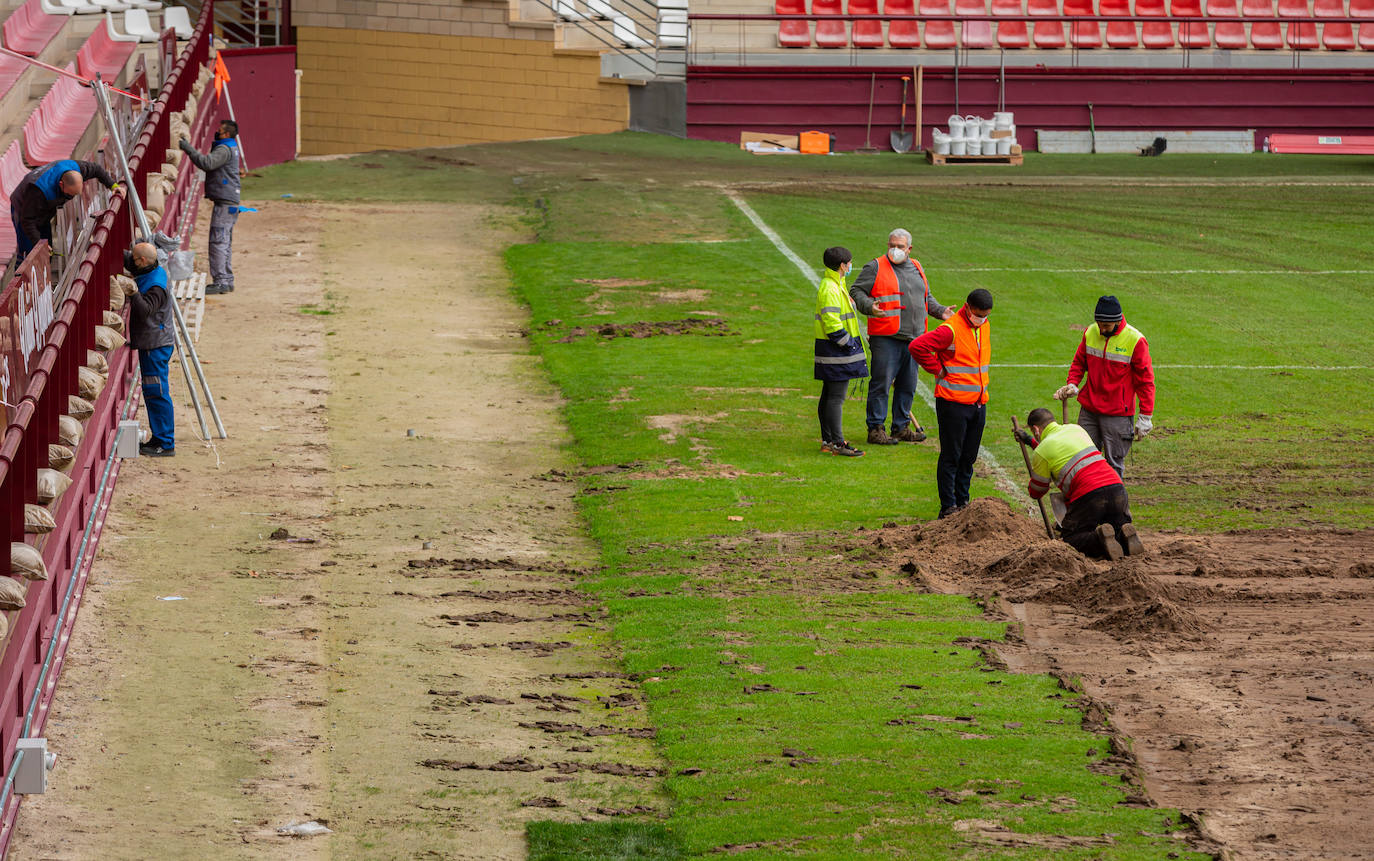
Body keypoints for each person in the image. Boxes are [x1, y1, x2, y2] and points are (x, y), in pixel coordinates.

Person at [849, 228, 953, 446]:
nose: (895, 250)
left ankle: (901, 427)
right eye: (892, 245)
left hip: (915, 340)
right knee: (882, 384)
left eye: (900, 246)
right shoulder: (875, 266)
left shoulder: (917, 267)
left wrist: (941, 312)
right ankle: (876, 429)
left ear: (909, 249)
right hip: (886, 337)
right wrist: (870, 306)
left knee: (907, 385)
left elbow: (926, 297)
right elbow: (856, 291)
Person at [1016, 407, 1145, 560]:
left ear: (1036, 429)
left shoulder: (1042, 451)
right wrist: (1031, 441)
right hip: (1116, 487)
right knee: (1117, 527)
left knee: (1072, 539)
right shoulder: (1076, 429)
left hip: (1089, 495)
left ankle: (1099, 540)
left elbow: (1038, 490)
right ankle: (1124, 535)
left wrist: (1033, 486)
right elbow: (1058, 451)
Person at [910, 289, 993, 518]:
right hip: (953, 404)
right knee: (951, 456)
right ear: (967, 307)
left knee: (968, 457)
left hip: (977, 403)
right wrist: (937, 369)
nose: (982, 319)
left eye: (985, 315)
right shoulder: (950, 329)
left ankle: (962, 501)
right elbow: (918, 347)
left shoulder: (984, 326)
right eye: (978, 314)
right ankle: (948, 507)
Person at [1055, 295, 1155, 478]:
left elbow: (1146, 381)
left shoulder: (1135, 340)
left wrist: (1145, 415)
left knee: (1113, 464)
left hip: (1117, 415)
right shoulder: (1091, 332)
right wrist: (1072, 383)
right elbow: (1079, 362)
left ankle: (1111, 506)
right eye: (1099, 324)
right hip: (1089, 410)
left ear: (1118, 321)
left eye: (1106, 326)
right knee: (1081, 458)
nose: (1101, 329)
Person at [813, 246, 867, 457]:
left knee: (828, 396)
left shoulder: (835, 284)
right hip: (835, 350)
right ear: (843, 265)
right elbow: (831, 322)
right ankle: (837, 442)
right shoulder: (831, 288)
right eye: (850, 262)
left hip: (832, 349)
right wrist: (848, 343)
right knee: (836, 398)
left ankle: (828, 440)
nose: (852, 265)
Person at [123, 242, 176, 457]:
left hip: (155, 346)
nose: (132, 264)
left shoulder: (155, 286)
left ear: (143, 261)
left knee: (156, 393)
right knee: (154, 392)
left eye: (135, 260)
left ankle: (165, 442)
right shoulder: (155, 270)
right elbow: (129, 258)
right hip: (153, 342)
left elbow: (145, 310)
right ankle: (159, 438)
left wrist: (132, 292)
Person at [9, 159, 117, 261]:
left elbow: (97, 169)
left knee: (46, 248)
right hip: (23, 208)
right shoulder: (39, 191)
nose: (71, 198)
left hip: (44, 209)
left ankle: (45, 274)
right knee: (29, 252)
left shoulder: (78, 168)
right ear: (61, 185)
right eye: (70, 195)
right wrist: (38, 243)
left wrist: (113, 186)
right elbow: (27, 220)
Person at [179, 119, 241, 294]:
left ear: (226, 134)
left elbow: (207, 163)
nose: (217, 133)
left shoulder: (224, 149)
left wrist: (187, 148)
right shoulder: (232, 147)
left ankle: (221, 280)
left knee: (218, 242)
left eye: (220, 131)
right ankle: (227, 280)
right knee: (224, 242)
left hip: (224, 203)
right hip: (229, 201)